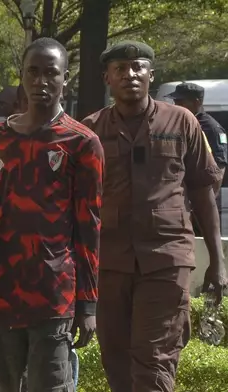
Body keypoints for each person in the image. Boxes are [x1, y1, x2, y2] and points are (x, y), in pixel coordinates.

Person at [82, 41, 227, 392]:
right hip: (110, 263)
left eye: (138, 67)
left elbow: (203, 193)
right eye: (121, 69)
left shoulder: (182, 122)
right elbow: (79, 205)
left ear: (151, 75)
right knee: (116, 362)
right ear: (107, 78)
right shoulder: (90, 130)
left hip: (166, 260)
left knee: (154, 362)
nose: (130, 74)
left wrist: (218, 262)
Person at [0, 37, 102, 392]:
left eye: (50, 73)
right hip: (4, 289)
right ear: (22, 76)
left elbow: (89, 227)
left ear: (65, 78)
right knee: (5, 385)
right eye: (33, 72)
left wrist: (88, 303)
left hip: (54, 293)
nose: (41, 81)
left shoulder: (82, 143)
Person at [167, 82, 227, 192]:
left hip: (203, 194)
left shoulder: (210, 128)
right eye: (175, 101)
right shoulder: (181, 123)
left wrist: (210, 201)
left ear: (196, 103)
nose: (176, 105)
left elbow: (220, 165)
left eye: (180, 101)